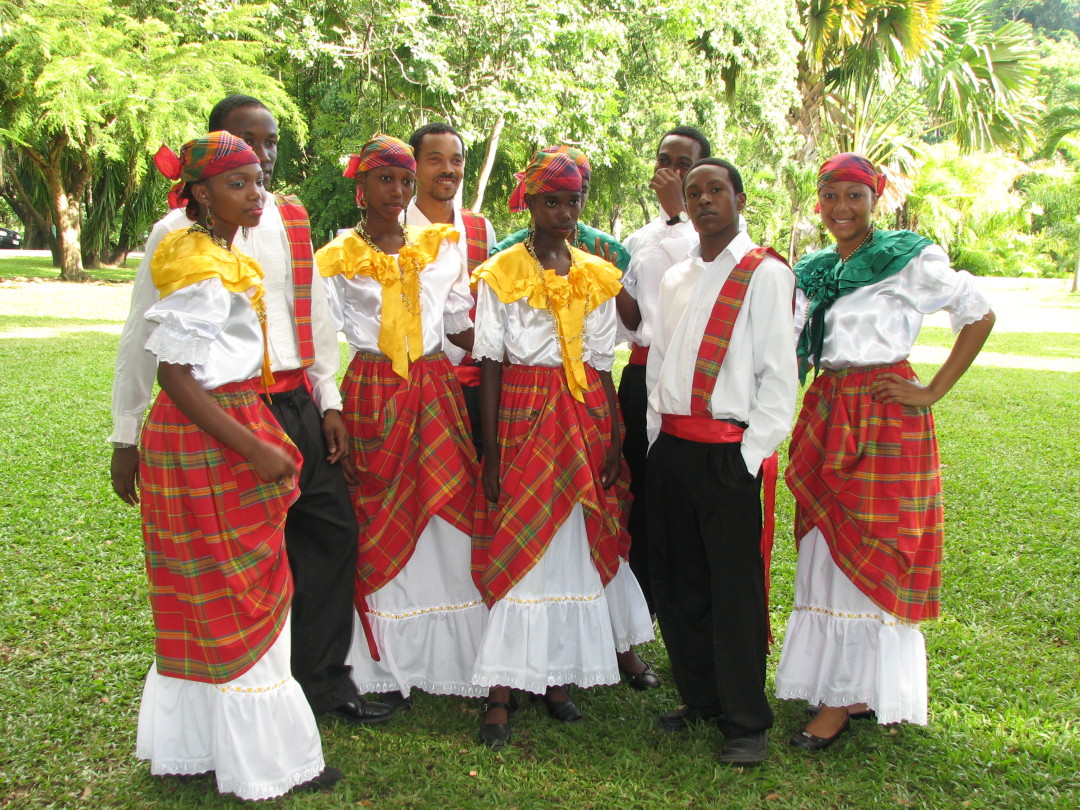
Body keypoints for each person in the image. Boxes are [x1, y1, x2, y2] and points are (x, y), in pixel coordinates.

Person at [109, 95, 392, 727]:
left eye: (269, 146)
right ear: (214, 150)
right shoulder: (175, 235)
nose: (261, 156)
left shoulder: (289, 217)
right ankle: (258, 687)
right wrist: (125, 435)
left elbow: (313, 316)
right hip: (229, 412)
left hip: (292, 402)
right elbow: (144, 341)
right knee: (249, 557)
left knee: (330, 532)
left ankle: (321, 682)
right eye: (247, 142)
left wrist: (330, 400)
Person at [132, 131, 338, 798]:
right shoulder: (197, 262)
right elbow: (175, 375)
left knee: (217, 589)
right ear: (200, 194)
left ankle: (205, 747)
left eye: (257, 181)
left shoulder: (218, 252)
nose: (256, 194)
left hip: (220, 425)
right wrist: (253, 444)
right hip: (208, 435)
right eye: (238, 183)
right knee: (241, 592)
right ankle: (266, 761)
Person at [774, 153, 995, 748]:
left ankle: (844, 701)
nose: (841, 209)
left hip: (883, 411)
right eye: (830, 197)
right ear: (817, 202)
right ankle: (848, 685)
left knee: (872, 541)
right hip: (827, 408)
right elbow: (783, 337)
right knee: (825, 543)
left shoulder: (906, 257)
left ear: (876, 201)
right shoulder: (814, 267)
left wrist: (930, 390)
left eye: (854, 196)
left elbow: (977, 313)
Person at [470, 151, 652, 749]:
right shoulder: (501, 273)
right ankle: (501, 691)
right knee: (521, 539)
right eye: (552, 200)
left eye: (573, 201)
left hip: (583, 416)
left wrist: (615, 435)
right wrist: (493, 451)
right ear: (528, 202)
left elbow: (602, 362)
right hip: (523, 413)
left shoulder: (598, 273)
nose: (564, 212)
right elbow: (491, 360)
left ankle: (556, 681)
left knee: (570, 537)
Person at [318, 135, 486, 708]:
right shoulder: (336, 255)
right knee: (379, 510)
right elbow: (319, 338)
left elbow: (461, 322)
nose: (397, 191)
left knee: (446, 507)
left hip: (436, 387)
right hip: (372, 388)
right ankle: (381, 663)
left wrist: (510, 356)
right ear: (360, 186)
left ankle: (454, 656)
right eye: (384, 180)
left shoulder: (440, 246)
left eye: (405, 181)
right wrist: (329, 408)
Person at [646, 158, 797, 765]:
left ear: (739, 197)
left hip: (727, 453)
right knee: (679, 580)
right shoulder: (677, 276)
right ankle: (701, 697)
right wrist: (656, 439)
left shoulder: (763, 274)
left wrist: (750, 457)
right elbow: (658, 361)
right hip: (674, 449)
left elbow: (778, 376)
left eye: (716, 190)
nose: (704, 199)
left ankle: (745, 718)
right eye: (693, 192)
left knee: (732, 587)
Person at [618, 126, 710, 616]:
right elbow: (630, 320)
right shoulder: (638, 237)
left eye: (683, 163)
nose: (669, 170)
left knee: (679, 492)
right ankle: (637, 604)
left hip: (689, 381)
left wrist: (680, 213)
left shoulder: (717, 234)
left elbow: (709, 284)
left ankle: (682, 601)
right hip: (639, 373)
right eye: (663, 159)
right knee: (635, 487)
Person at [403, 122, 497, 456]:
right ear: (413, 166)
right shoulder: (394, 228)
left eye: (456, 161)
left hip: (471, 387)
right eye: (435, 159)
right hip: (410, 388)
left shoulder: (480, 228)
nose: (448, 169)